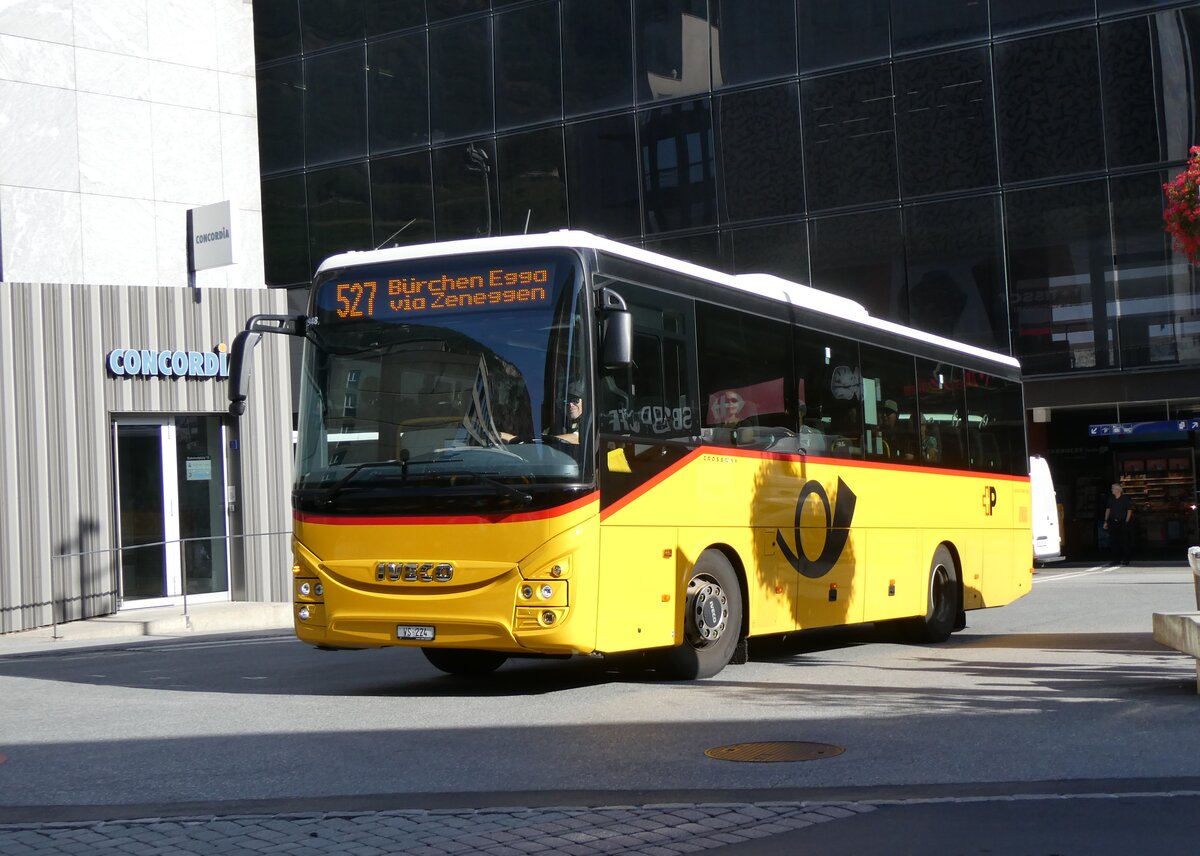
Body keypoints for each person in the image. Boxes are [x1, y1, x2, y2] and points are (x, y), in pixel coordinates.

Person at [1103, 482, 1133, 566]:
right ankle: (1116, 560)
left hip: (1122, 521)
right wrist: (1106, 520)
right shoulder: (1111, 499)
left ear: (1118, 490)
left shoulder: (1125, 499)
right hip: (1112, 521)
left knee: (1124, 541)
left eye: (1113, 488)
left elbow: (1129, 510)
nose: (1111, 490)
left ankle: (1126, 559)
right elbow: (1108, 509)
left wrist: (1126, 521)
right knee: (1114, 541)